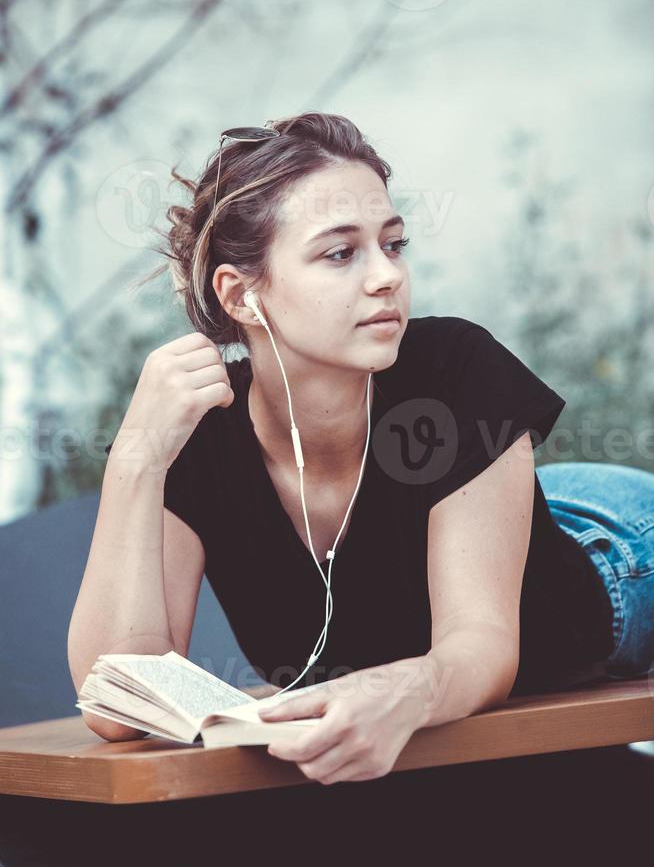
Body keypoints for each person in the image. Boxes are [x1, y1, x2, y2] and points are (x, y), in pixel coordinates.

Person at [68, 111, 654, 787]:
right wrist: (136, 459)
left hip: (619, 554)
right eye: (341, 253)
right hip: (502, 508)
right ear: (241, 294)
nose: (387, 277)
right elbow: (118, 704)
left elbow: (481, 648)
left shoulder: (456, 371)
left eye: (394, 244)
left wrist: (403, 694)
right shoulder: (197, 433)